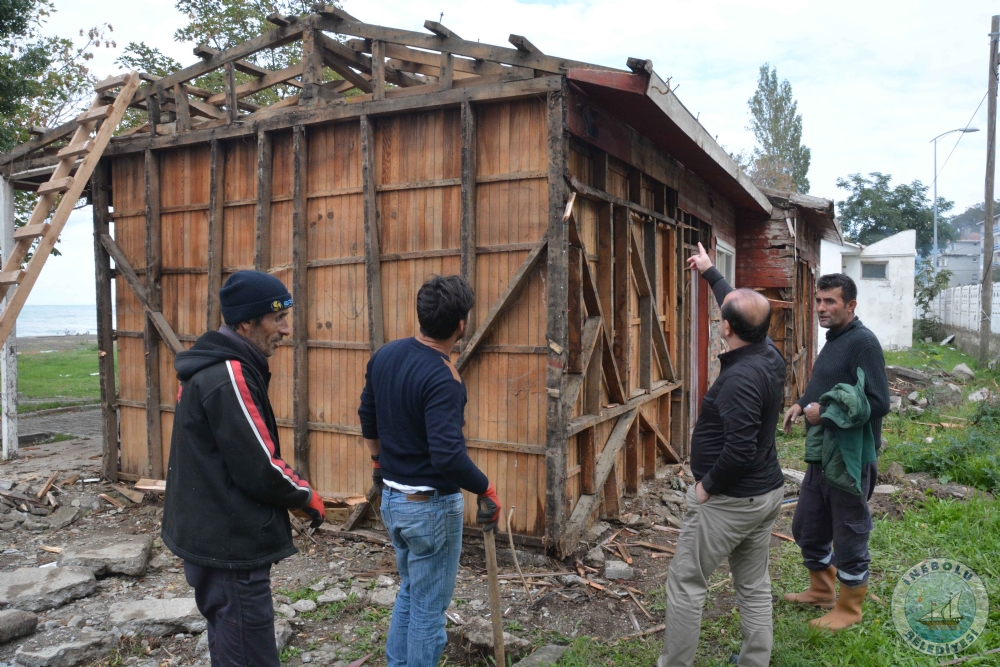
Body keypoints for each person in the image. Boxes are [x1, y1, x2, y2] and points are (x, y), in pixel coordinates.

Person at [162, 270, 326, 667]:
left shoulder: (210, 367)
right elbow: (260, 464)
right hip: (229, 544)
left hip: (211, 536)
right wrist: (306, 496)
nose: (286, 330)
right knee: (250, 654)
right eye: (278, 319)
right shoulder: (229, 374)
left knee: (230, 645)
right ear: (245, 322)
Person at [358, 274, 501, 667]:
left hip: (393, 500)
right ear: (460, 325)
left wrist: (377, 463)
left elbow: (367, 418)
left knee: (411, 590)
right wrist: (486, 489)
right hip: (428, 507)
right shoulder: (443, 377)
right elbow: (447, 457)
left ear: (421, 316)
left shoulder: (384, 356)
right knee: (429, 607)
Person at [659, 243, 787, 667]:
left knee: (686, 582)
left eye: (721, 319)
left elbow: (739, 449)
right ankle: (755, 661)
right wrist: (712, 273)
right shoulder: (767, 351)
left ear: (727, 330)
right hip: (766, 494)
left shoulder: (740, 380)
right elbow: (739, 309)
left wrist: (705, 488)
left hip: (732, 500)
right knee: (752, 583)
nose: (719, 322)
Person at [781, 272, 889, 631]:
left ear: (851, 305)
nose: (821, 308)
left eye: (830, 302)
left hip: (851, 457)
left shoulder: (864, 344)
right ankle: (822, 589)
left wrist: (823, 414)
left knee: (849, 532)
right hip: (823, 454)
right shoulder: (835, 337)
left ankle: (849, 607)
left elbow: (878, 402)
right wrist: (801, 404)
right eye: (819, 300)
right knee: (807, 526)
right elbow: (825, 384)